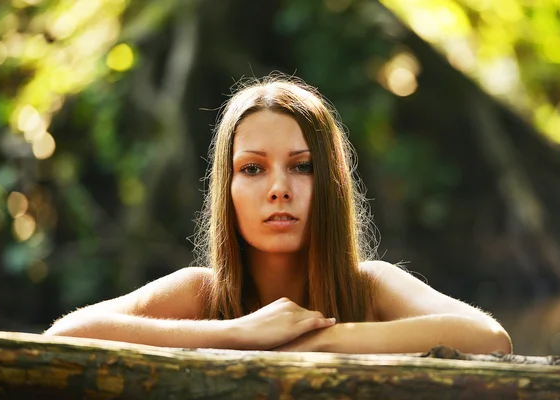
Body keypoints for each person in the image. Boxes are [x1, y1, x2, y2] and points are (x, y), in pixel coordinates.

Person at [44, 75, 512, 354]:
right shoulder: (202, 294)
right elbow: (65, 334)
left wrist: (318, 342)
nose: (279, 190)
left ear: (330, 183)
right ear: (226, 189)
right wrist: (239, 334)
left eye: (302, 167)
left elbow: (489, 338)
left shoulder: (368, 287)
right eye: (252, 168)